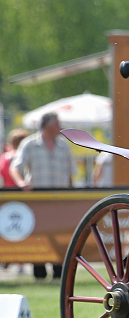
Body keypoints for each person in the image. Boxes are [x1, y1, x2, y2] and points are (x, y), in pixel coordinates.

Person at [9, 112, 75, 280]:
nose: (60, 127)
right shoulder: (29, 144)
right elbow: (15, 167)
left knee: (60, 235)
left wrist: (71, 192)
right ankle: (39, 273)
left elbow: (70, 173)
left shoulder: (63, 145)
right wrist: (21, 183)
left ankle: (58, 273)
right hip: (38, 200)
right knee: (39, 236)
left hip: (60, 200)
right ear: (47, 126)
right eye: (57, 124)